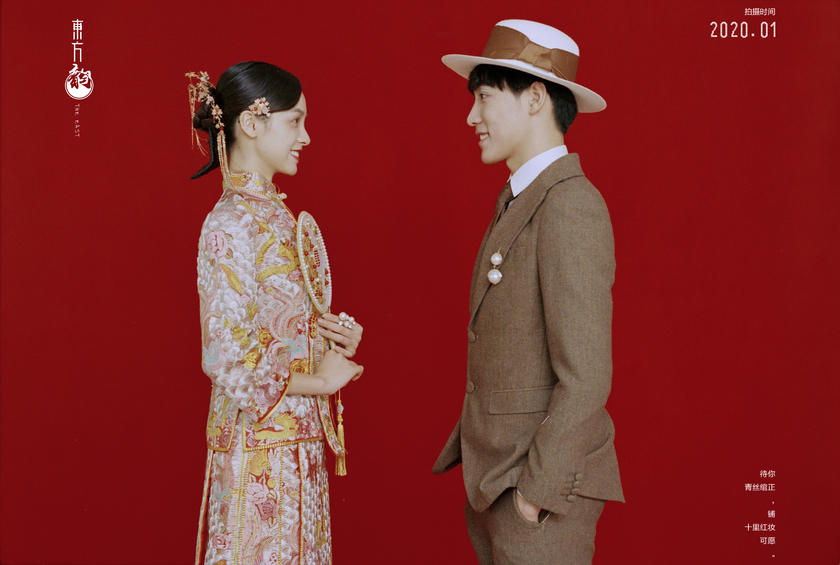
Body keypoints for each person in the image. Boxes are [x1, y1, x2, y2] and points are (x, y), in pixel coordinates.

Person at [432, 20, 624, 564]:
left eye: (484, 98)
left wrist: (533, 496)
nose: (472, 117)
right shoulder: (523, 197)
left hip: (536, 489)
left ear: (536, 98)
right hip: (499, 480)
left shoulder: (569, 204)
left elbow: (586, 375)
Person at [187, 61, 364, 565]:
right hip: (256, 452)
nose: (305, 137)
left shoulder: (276, 216)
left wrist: (331, 339)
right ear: (251, 123)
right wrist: (321, 381)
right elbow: (225, 356)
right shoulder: (228, 223)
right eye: (295, 121)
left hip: (298, 444)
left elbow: (280, 333)